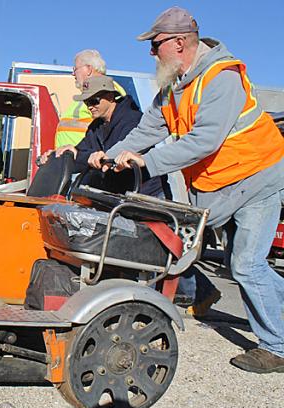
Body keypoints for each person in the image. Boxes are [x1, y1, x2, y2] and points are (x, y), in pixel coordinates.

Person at [88, 6, 284, 373]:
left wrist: (149, 163)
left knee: (246, 264)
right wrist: (111, 155)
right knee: (241, 265)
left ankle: (278, 347)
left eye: (155, 44)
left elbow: (205, 140)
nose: (151, 53)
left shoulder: (220, 78)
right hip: (224, 185)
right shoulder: (173, 85)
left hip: (258, 176)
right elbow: (148, 131)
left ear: (179, 43)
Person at [67, 75, 164, 196]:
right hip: (118, 195)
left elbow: (111, 159)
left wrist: (81, 156)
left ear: (110, 97)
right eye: (86, 102)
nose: (90, 107)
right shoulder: (95, 127)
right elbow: (82, 155)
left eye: (94, 101)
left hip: (146, 196)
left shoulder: (133, 119)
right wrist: (65, 154)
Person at [54, 50, 126, 150]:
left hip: (87, 160)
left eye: (75, 69)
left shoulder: (110, 90)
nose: (73, 74)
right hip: (73, 159)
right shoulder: (85, 94)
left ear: (88, 69)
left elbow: (110, 130)